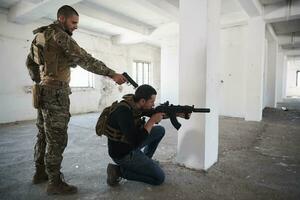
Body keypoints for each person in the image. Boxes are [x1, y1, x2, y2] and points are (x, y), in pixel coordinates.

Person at [26, 5, 126, 195]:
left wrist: (40, 80)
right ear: (62, 19)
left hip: (42, 92)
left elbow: (30, 62)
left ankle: (40, 173)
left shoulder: (40, 36)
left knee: (43, 134)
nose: (76, 26)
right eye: (74, 22)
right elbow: (85, 59)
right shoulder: (60, 36)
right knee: (57, 138)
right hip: (56, 94)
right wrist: (112, 74)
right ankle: (54, 183)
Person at [101, 84, 166, 186]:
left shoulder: (135, 104)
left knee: (159, 130)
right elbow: (135, 142)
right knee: (159, 178)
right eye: (152, 102)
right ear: (143, 101)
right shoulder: (123, 112)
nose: (153, 105)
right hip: (123, 154)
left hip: (130, 144)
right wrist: (152, 121)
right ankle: (118, 171)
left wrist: (178, 113)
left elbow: (155, 112)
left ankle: (145, 160)